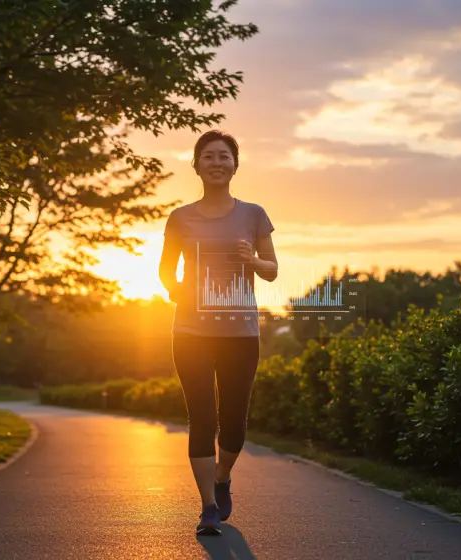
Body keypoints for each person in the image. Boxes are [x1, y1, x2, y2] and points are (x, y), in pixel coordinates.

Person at [158, 130, 279, 536]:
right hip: (190, 330)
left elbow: (273, 270)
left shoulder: (254, 214)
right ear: (196, 165)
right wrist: (176, 290)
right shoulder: (180, 218)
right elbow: (164, 269)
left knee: (234, 423)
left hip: (240, 332)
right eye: (208, 156)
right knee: (202, 418)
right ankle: (209, 507)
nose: (216, 162)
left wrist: (254, 259)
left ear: (235, 164)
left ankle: (222, 478)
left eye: (224, 156)